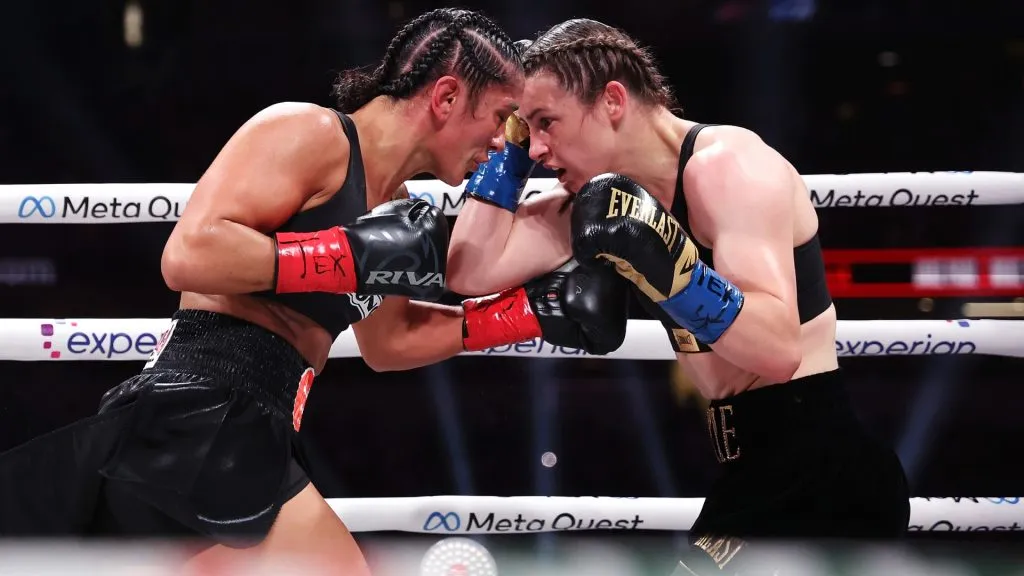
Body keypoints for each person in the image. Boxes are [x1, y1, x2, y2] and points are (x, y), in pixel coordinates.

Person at [0, 9, 629, 575]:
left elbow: (390, 342)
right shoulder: (310, 134)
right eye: (498, 119)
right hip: (203, 410)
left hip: (256, 427)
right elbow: (189, 254)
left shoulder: (398, 208)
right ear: (445, 97)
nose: (499, 145)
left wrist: (528, 315)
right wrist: (345, 256)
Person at [447, 18, 910, 574]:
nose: (541, 147)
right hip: (755, 473)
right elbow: (471, 269)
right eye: (529, 131)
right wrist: (512, 156)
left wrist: (674, 269)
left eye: (547, 123)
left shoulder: (728, 166)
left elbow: (778, 349)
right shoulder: (605, 203)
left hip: (822, 475)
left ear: (612, 100)